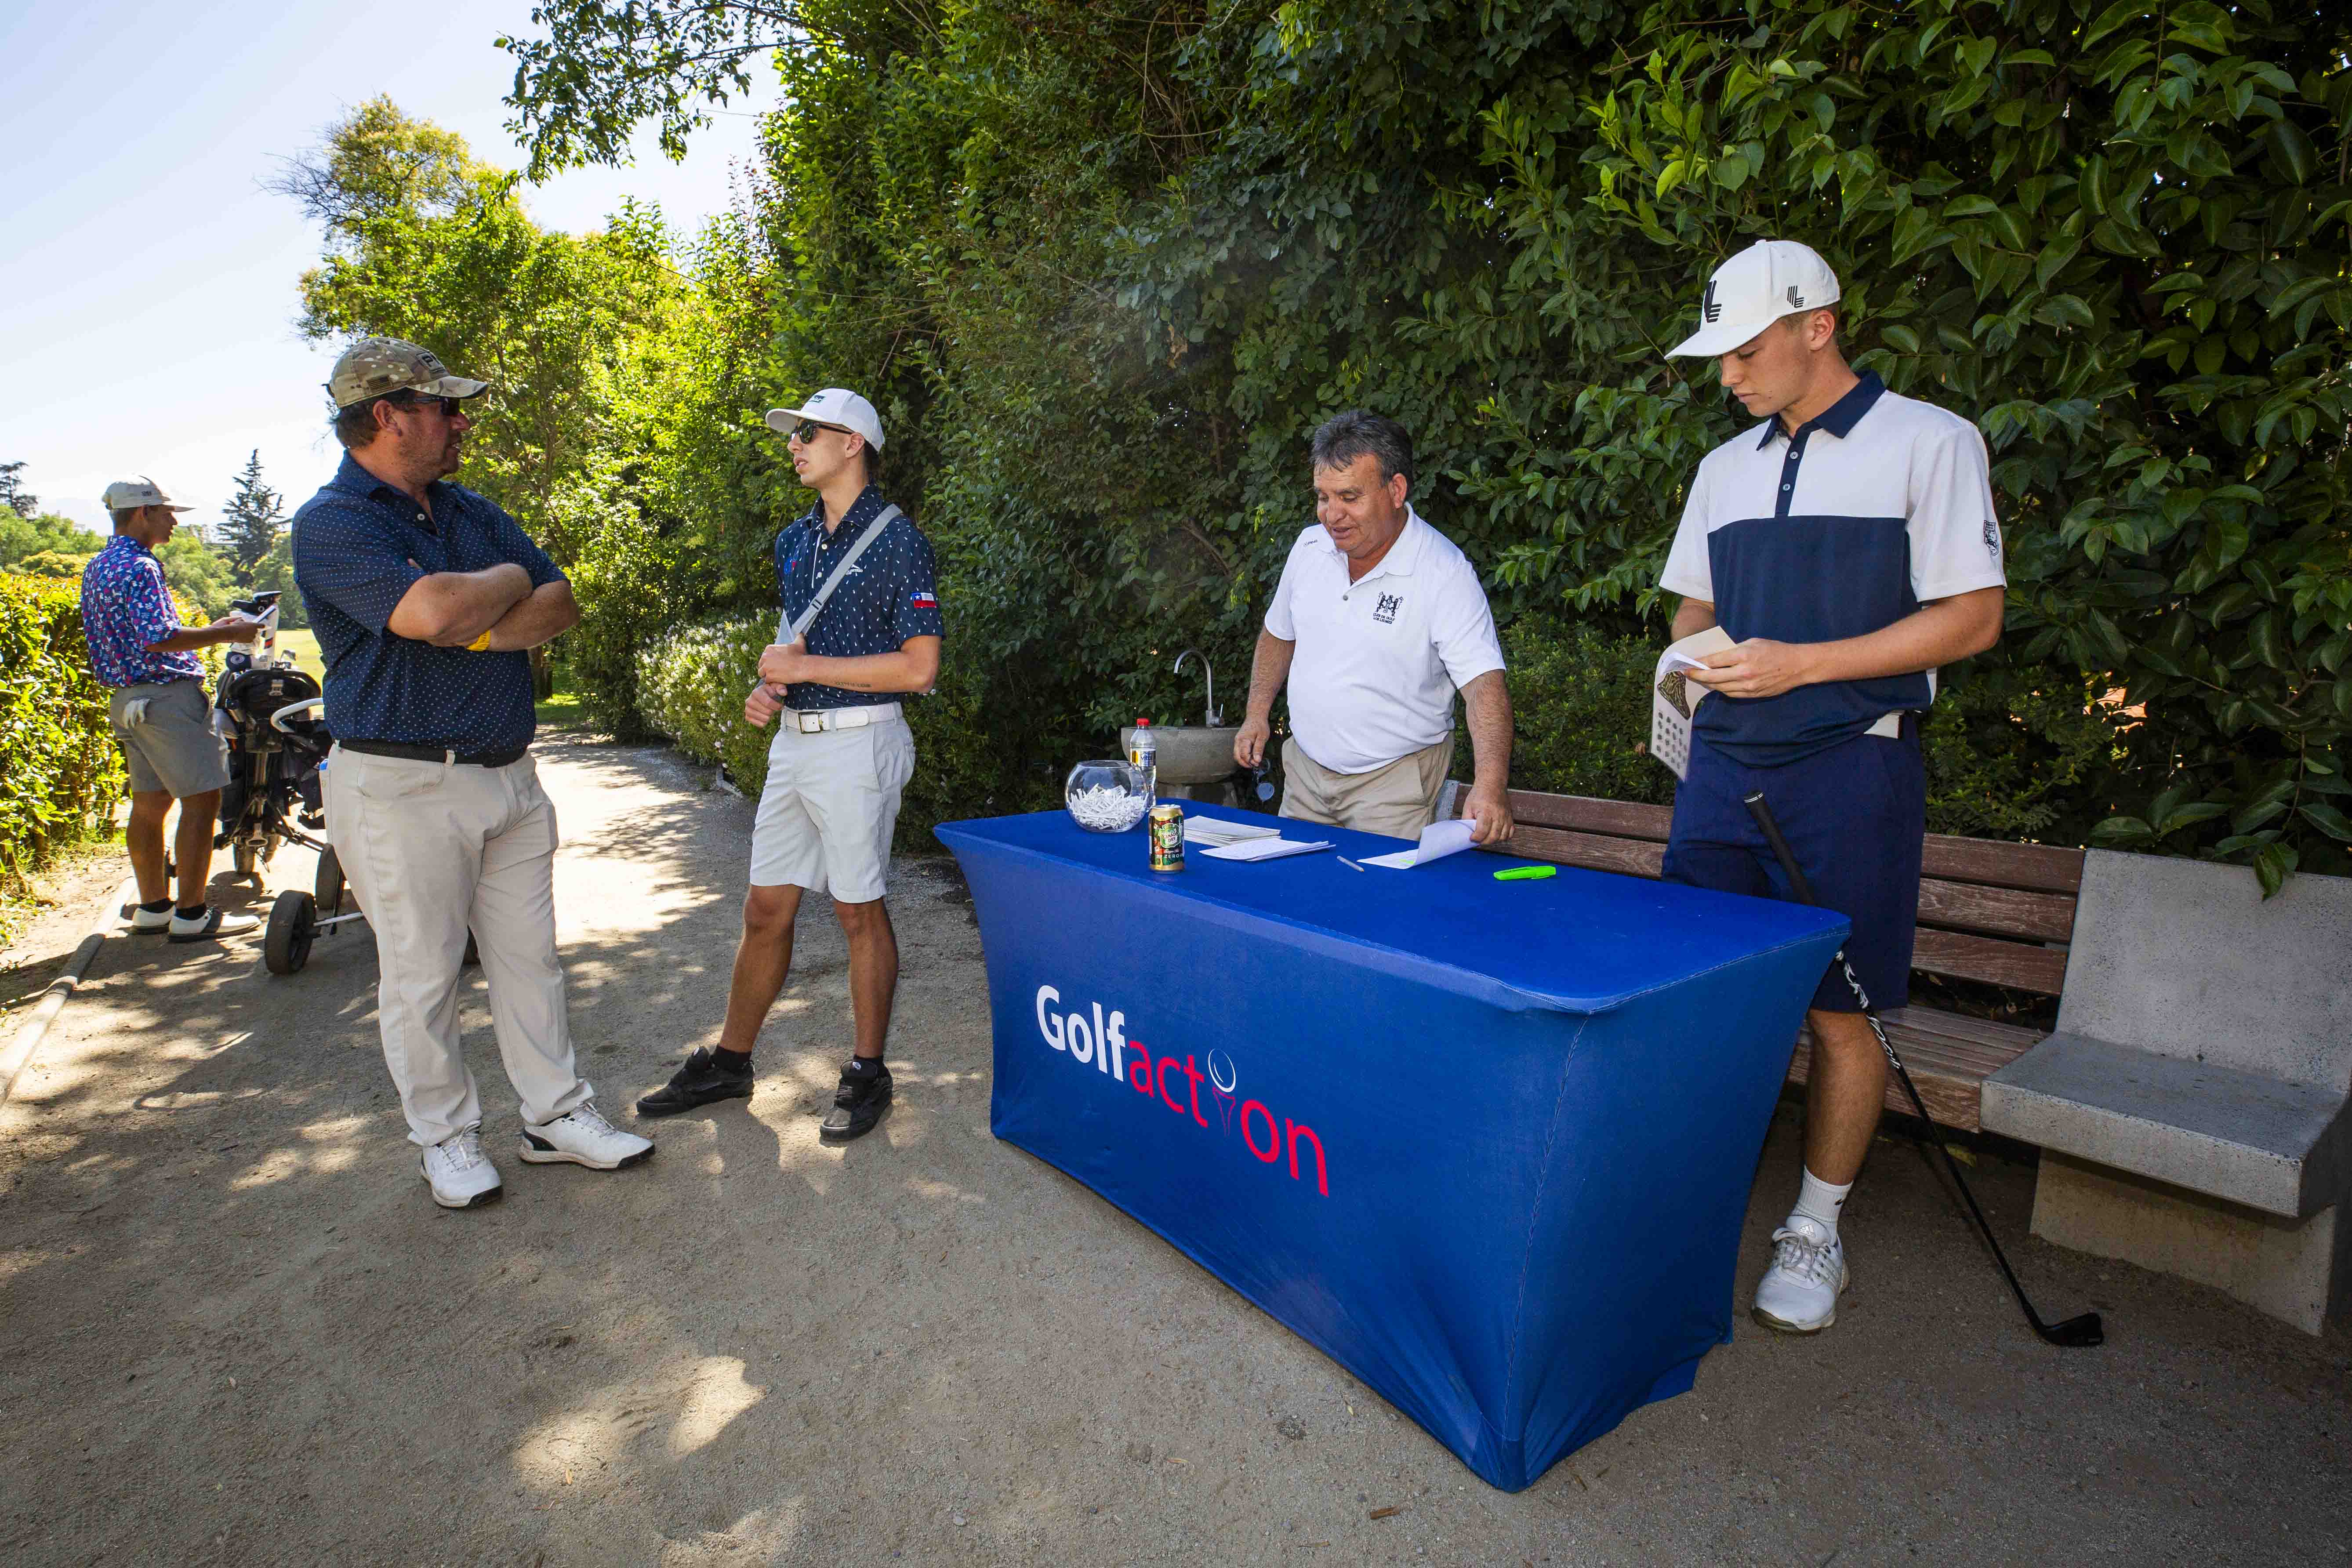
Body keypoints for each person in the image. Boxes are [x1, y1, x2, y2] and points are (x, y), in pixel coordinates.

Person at [1656, 239, 2007, 1333]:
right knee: (1698, 994)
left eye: (1745, 351)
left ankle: (1816, 1225)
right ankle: (1673, 1200)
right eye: (1718, 356)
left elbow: (1973, 617)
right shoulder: (1722, 468)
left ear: (1819, 326)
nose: (1728, 376)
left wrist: (1802, 663)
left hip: (1854, 765)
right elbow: (1693, 607)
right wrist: (1694, 659)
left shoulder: (1932, 441)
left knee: (1840, 1013)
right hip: (1722, 765)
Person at [291, 336, 652, 1209]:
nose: (460, 422)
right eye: (444, 407)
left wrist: (473, 617)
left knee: (532, 962)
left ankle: (554, 1117)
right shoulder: (333, 521)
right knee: (422, 975)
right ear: (387, 415)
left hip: (509, 778)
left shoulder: (470, 509)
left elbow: (558, 602)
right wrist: (503, 581)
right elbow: (429, 612)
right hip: (403, 787)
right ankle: (446, 1139)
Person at [636, 388, 944, 1141]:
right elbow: (795, 639)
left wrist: (806, 670)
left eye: (808, 431)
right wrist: (773, 685)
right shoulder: (793, 542)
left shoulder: (901, 541)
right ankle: (731, 1061)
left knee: (857, 910)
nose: (793, 444)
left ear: (853, 443)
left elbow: (919, 668)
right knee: (764, 908)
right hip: (795, 744)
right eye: (792, 434)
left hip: (860, 744)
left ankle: (868, 1072)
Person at [1234, 410, 1515, 844]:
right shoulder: (1310, 547)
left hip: (1394, 789)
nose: (1332, 515)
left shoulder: (1443, 572)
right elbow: (1278, 634)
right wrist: (1256, 714)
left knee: (1381, 889)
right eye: (1323, 497)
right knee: (1295, 883)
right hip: (1304, 778)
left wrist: (1490, 786)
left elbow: (1484, 686)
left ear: (1396, 490)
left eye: (1349, 497)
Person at [78, 479, 263, 943]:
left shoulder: (100, 565)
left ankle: (153, 908)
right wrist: (230, 634)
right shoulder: (142, 565)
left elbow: (142, 636)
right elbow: (159, 638)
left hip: (128, 701)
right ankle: (192, 915)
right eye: (167, 512)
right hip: (166, 701)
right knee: (202, 800)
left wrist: (208, 629)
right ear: (142, 513)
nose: (175, 521)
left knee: (150, 803)